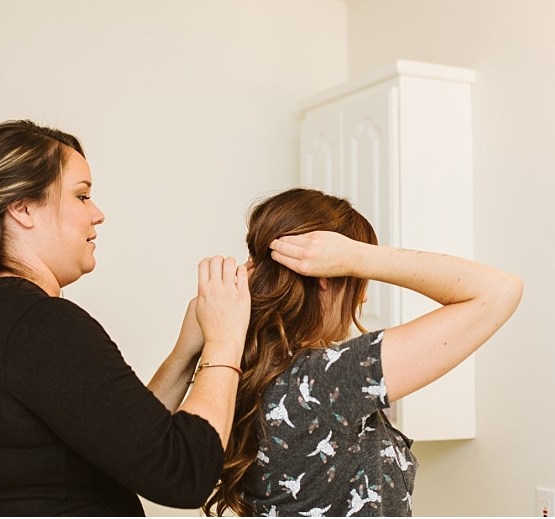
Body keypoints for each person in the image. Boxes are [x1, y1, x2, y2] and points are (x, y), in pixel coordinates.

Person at [0, 120, 250, 517]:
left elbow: (127, 443)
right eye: (82, 195)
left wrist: (187, 352)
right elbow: (183, 472)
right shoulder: (39, 324)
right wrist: (226, 340)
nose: (98, 214)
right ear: (22, 208)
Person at [205, 188, 523, 517]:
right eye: (358, 279)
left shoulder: (246, 367)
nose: (364, 297)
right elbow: (499, 291)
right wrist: (360, 257)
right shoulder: (320, 383)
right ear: (325, 277)